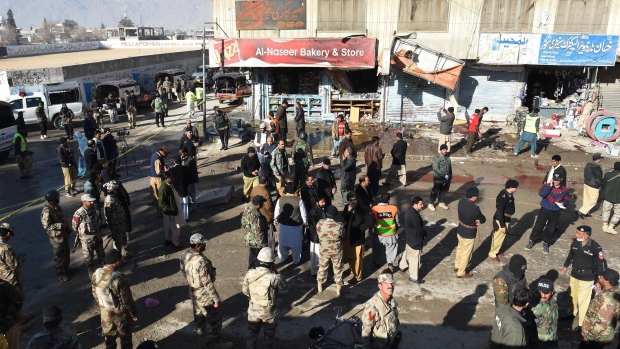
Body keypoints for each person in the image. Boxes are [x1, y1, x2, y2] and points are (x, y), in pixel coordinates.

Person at [179, 234, 227, 344]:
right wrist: (216, 299)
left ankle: (202, 340)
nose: (205, 245)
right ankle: (219, 344)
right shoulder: (201, 261)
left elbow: (183, 271)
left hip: (193, 292)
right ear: (198, 245)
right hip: (204, 295)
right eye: (203, 244)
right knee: (215, 320)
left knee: (199, 316)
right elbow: (207, 283)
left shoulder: (184, 255)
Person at [242, 247, 287, 349]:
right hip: (269, 313)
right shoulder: (273, 277)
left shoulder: (250, 273)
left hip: (253, 311)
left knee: (252, 334)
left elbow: (245, 291)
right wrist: (276, 271)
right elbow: (284, 285)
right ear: (271, 263)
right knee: (269, 336)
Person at [561, 225, 605, 331]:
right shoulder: (576, 242)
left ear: (586, 236)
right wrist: (565, 266)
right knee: (572, 295)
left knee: (583, 300)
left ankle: (581, 324)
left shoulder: (596, 247)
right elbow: (571, 254)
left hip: (587, 277)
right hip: (574, 274)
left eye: (579, 234)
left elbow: (600, 265)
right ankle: (572, 313)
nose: (576, 235)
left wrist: (599, 281)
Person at [91, 249, 138, 349]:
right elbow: (127, 300)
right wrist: (133, 313)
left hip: (105, 314)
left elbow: (94, 293)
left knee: (109, 340)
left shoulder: (96, 273)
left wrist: (103, 305)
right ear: (115, 262)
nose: (121, 260)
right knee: (125, 339)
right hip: (120, 315)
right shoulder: (119, 278)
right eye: (120, 259)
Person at [525, 173, 570, 254]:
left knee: (551, 229)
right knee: (538, 226)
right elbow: (541, 194)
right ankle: (532, 240)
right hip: (545, 210)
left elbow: (567, 199)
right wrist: (549, 186)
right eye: (555, 180)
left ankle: (546, 243)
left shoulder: (564, 190)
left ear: (561, 180)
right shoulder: (546, 186)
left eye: (558, 180)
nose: (556, 182)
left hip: (556, 211)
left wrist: (564, 203)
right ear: (552, 179)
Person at [579, 269, 620, 348]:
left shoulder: (608, 302)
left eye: (601, 277)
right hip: (600, 335)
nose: (599, 277)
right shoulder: (614, 289)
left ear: (607, 282)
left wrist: (589, 338)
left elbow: (601, 323)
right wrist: (600, 283)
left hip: (595, 338)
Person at [361, 272, 401, 348]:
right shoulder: (372, 306)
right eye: (386, 283)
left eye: (392, 283)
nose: (390, 286)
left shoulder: (392, 300)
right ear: (380, 286)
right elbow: (366, 331)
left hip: (390, 342)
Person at [343, 192, 375, 283]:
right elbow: (343, 218)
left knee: (357, 257)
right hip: (348, 236)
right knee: (349, 254)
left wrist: (361, 228)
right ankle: (352, 269)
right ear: (348, 201)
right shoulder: (347, 208)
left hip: (357, 238)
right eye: (351, 200)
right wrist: (348, 211)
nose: (353, 202)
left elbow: (371, 221)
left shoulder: (363, 209)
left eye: (354, 200)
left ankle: (357, 276)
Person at [40, 190, 71, 283]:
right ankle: (61, 274)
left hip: (63, 234)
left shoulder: (56, 207)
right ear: (53, 200)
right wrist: (60, 225)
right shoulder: (47, 210)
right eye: (57, 198)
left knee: (66, 252)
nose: (59, 199)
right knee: (59, 256)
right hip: (56, 238)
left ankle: (66, 268)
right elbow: (47, 226)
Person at [455, 187, 486, 278]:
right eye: (477, 195)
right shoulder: (475, 208)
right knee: (466, 253)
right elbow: (483, 219)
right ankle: (461, 272)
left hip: (461, 228)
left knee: (460, 248)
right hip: (469, 232)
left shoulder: (461, 202)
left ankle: (457, 265)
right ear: (473, 197)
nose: (477, 197)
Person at [72, 194, 105, 278]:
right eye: (89, 201)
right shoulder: (79, 214)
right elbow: (75, 227)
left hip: (97, 236)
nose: (92, 202)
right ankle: (90, 271)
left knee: (101, 254)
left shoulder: (95, 208)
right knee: (88, 258)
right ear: (84, 202)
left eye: (92, 201)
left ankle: (103, 269)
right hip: (87, 240)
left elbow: (98, 218)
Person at [274, 182, 308, 264]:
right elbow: (304, 213)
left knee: (283, 243)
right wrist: (306, 223)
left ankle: (282, 258)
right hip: (296, 227)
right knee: (296, 245)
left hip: (283, 226)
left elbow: (276, 212)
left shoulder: (280, 199)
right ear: (295, 190)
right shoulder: (299, 200)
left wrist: (275, 220)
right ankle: (296, 260)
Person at [316, 205, 344, 295]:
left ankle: (320, 284)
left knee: (323, 266)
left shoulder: (319, 224)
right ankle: (338, 287)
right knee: (338, 268)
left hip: (324, 250)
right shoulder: (339, 226)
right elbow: (342, 236)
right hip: (336, 251)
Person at [489, 180, 519, 262]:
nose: (516, 189)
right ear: (512, 188)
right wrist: (502, 225)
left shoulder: (508, 194)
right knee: (498, 237)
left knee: (501, 237)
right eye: (515, 187)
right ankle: (493, 254)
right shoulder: (503, 196)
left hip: (506, 218)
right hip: (501, 219)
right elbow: (499, 211)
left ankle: (497, 250)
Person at [399, 196, 426, 284]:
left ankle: (403, 265)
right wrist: (424, 234)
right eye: (421, 204)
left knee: (407, 251)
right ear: (415, 204)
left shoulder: (410, 211)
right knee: (415, 258)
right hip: (415, 239)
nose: (422, 205)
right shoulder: (415, 216)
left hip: (409, 238)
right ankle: (413, 276)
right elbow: (419, 229)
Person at [371, 193, 400, 271]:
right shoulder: (394, 208)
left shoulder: (374, 209)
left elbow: (372, 221)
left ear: (380, 199)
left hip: (379, 234)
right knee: (391, 249)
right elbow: (397, 221)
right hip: (391, 234)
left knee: (377, 249)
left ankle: (377, 262)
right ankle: (390, 263)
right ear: (389, 200)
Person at [158, 171, 185, 248]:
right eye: (171, 177)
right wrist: (169, 210)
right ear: (166, 179)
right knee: (177, 227)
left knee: (168, 227)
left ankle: (168, 239)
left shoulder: (169, 184)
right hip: (171, 212)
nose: (173, 178)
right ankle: (175, 242)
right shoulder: (164, 188)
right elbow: (161, 202)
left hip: (172, 210)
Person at [241, 196, 269, 269]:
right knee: (257, 258)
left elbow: (243, 222)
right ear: (259, 204)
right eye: (262, 203)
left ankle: (250, 270)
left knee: (252, 255)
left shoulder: (247, 208)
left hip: (249, 237)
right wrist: (263, 244)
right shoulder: (257, 216)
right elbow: (258, 231)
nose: (263, 204)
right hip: (257, 241)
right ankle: (256, 272)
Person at [249, 176, 275, 252]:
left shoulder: (254, 189)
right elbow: (269, 206)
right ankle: (271, 251)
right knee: (270, 235)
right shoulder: (266, 193)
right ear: (266, 182)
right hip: (266, 217)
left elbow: (251, 198)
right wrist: (271, 216)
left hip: (256, 215)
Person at [104, 181, 129, 258]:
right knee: (118, 242)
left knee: (123, 239)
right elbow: (111, 216)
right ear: (114, 191)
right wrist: (116, 225)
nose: (117, 191)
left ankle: (123, 252)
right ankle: (118, 258)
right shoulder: (110, 201)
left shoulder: (114, 198)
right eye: (116, 190)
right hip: (116, 225)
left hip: (120, 223)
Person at [531, 279, 558, 349]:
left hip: (553, 339)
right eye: (540, 292)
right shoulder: (534, 307)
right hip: (540, 343)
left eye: (546, 293)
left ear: (552, 292)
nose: (542, 295)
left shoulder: (553, 299)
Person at [577, 154, 604, 220]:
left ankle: (585, 212)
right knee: (593, 201)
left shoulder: (588, 165)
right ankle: (581, 212)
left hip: (587, 183)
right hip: (593, 185)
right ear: (598, 159)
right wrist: (601, 185)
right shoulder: (596, 167)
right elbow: (598, 178)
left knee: (587, 200)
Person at [307, 195, 326, 276]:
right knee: (316, 256)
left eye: (324, 202)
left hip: (319, 236)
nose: (324, 203)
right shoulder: (314, 212)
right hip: (316, 237)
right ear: (317, 203)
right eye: (322, 202)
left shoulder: (320, 210)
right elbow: (316, 227)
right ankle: (316, 272)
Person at [429, 144, 452, 211]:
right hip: (438, 178)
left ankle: (441, 202)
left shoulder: (447, 157)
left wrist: (450, 176)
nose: (445, 151)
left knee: (444, 191)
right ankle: (431, 203)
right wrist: (444, 175)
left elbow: (449, 167)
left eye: (446, 150)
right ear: (441, 150)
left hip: (446, 178)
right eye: (444, 150)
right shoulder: (436, 158)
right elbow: (436, 169)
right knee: (435, 191)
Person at [600, 161, 620, 235]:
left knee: (606, 211)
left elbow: (603, 185)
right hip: (618, 199)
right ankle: (611, 227)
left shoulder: (608, 174)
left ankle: (605, 225)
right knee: (617, 213)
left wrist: (602, 195)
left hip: (607, 196)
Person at [150, 146, 170, 217]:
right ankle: (161, 211)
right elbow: (158, 172)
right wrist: (166, 171)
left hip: (153, 178)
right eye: (165, 154)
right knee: (160, 195)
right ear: (162, 152)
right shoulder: (157, 159)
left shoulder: (154, 154)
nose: (165, 156)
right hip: (157, 179)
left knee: (156, 196)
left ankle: (159, 211)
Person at [169, 156, 189, 220]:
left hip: (176, 189)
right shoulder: (185, 168)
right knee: (185, 204)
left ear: (174, 162)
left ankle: (179, 217)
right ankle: (186, 217)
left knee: (178, 204)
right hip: (184, 188)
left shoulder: (172, 170)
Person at [180, 148, 199, 214]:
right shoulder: (183, 158)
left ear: (185, 152)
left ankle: (193, 206)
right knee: (188, 194)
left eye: (181, 153)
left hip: (190, 180)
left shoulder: (190, 160)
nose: (180, 155)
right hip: (186, 180)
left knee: (191, 194)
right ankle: (190, 205)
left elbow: (192, 171)